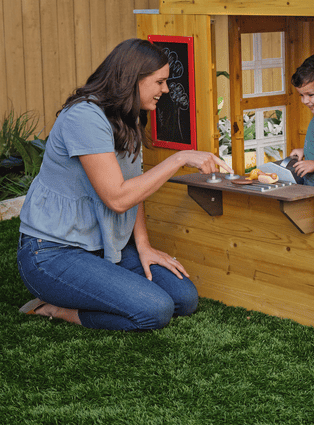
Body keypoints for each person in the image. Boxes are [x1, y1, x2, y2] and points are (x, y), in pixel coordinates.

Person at [17, 38, 232, 331]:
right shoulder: (84, 117)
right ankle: (56, 308)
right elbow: (117, 198)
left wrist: (143, 245)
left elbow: (135, 187)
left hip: (104, 247)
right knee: (155, 310)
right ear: (134, 78)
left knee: (184, 298)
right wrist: (178, 159)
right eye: (160, 82)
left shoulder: (127, 117)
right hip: (53, 253)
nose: (166, 90)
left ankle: (97, 287)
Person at [289, 53, 314, 187]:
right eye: (301, 95)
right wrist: (305, 151)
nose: (305, 101)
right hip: (310, 184)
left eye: (311, 95)